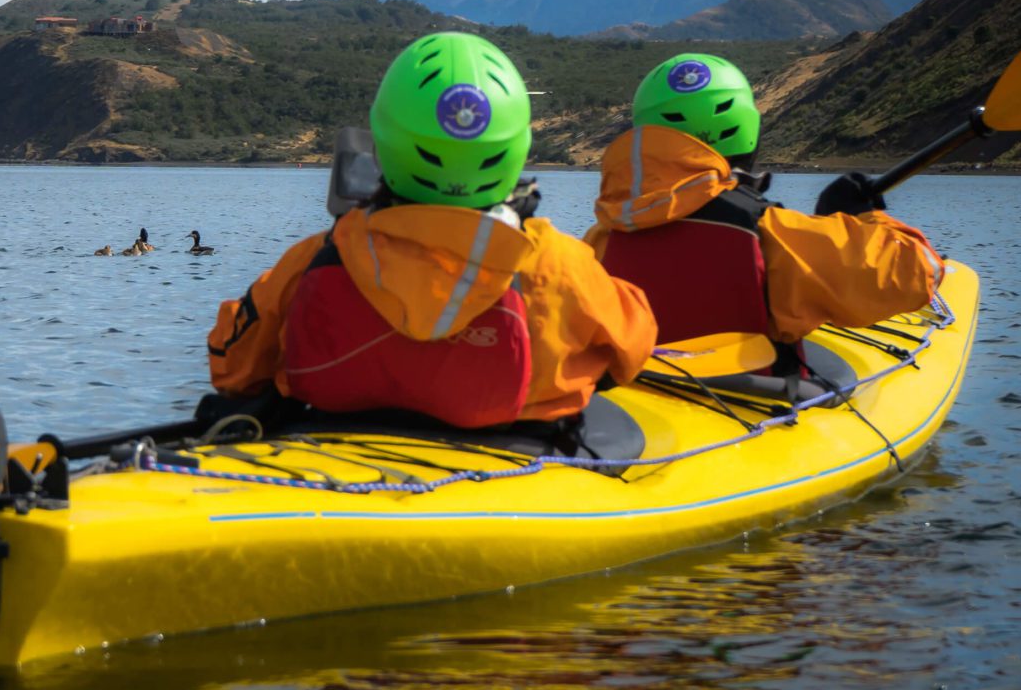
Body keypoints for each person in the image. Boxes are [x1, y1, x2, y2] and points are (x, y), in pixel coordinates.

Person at [206, 32, 657, 430]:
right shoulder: (559, 264)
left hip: (332, 450)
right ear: (514, 146)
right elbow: (632, 350)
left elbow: (232, 369)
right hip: (513, 461)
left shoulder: (315, 259)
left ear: (384, 139)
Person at [585, 53, 943, 354]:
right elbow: (922, 268)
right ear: (748, 132)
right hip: (751, 404)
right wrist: (862, 219)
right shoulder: (775, 233)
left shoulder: (600, 239)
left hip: (638, 404)